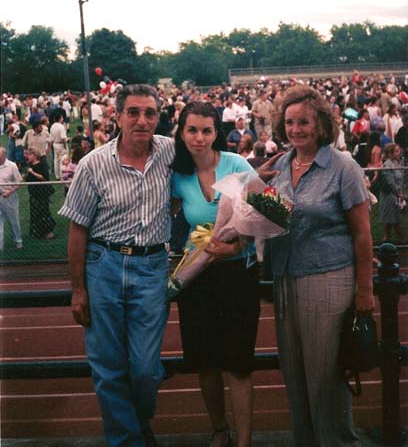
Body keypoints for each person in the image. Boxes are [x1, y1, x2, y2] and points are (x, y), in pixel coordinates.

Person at [58, 84, 174, 447]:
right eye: (134, 112)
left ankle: (137, 422)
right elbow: (77, 230)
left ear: (158, 117)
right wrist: (78, 290)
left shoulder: (171, 153)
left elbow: (217, 161)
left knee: (145, 368)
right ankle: (129, 440)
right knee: (108, 368)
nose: (142, 120)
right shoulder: (93, 164)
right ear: (118, 116)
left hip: (152, 266)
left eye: (150, 113)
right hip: (103, 265)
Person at [267, 85, 375, 447]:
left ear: (321, 124)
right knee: (295, 378)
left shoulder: (343, 166)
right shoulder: (282, 164)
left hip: (328, 279)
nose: (296, 129)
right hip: (285, 279)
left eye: (304, 122)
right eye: (290, 123)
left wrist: (365, 291)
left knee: (325, 378)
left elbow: (362, 234)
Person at [170, 101, 277, 447]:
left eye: (206, 130)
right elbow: (167, 216)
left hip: (236, 276)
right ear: (182, 132)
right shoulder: (177, 173)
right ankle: (220, 430)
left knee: (239, 364)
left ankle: (243, 441)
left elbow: (267, 214)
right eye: (192, 130)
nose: (199, 138)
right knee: (204, 363)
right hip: (197, 276)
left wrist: (236, 247)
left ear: (217, 132)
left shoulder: (236, 164)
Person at [378, 143, 407, 244]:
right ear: (390, 154)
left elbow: (400, 180)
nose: (399, 152)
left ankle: (386, 238)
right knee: (394, 219)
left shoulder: (397, 162)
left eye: (399, 150)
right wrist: (398, 193)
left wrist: (401, 192)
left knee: (391, 218)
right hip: (389, 195)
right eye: (396, 151)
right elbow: (391, 182)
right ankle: (403, 239)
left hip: (395, 193)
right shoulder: (388, 164)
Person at [25, 147, 56, 239]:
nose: (28, 156)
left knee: (43, 211)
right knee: (35, 212)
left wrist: (32, 172)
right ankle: (37, 232)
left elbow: (43, 177)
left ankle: (48, 232)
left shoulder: (42, 164)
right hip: (33, 193)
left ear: (35, 155)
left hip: (42, 192)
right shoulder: (30, 165)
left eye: (30, 154)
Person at [0, 147, 23, 250]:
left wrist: (9, 192)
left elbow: (19, 183)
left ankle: (18, 241)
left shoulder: (12, 166)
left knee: (13, 221)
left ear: (5, 156)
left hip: (10, 197)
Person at [50, 113, 68, 179]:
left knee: (56, 160)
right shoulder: (61, 126)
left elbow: (51, 138)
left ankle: (57, 175)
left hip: (55, 144)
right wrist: (65, 146)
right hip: (61, 144)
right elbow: (63, 137)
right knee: (62, 160)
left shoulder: (52, 126)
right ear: (60, 118)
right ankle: (61, 176)